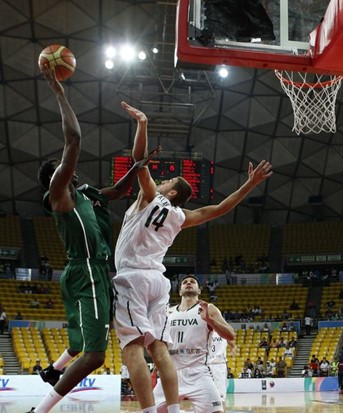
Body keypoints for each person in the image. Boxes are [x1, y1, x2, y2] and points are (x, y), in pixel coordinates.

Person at [113, 103, 271, 413]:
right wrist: (250, 184)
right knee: (159, 348)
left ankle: (147, 411)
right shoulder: (183, 216)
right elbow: (221, 209)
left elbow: (138, 162)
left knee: (132, 347)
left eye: (167, 181)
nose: (162, 181)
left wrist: (142, 124)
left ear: (170, 192)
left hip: (132, 276)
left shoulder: (150, 197)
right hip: (158, 282)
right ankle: (171, 410)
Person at [31, 66, 157, 413]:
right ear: (56, 178)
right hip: (85, 270)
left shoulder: (85, 194)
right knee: (96, 355)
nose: (68, 167)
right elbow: (74, 139)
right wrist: (58, 90)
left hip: (97, 272)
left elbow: (119, 190)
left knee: (91, 346)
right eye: (61, 167)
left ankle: (52, 370)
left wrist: (139, 166)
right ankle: (41, 408)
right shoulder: (61, 196)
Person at [152, 274, 235, 412]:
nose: (188, 283)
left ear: (199, 290)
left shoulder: (208, 308)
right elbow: (160, 343)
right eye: (185, 282)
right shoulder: (167, 312)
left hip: (199, 372)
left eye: (193, 282)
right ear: (179, 291)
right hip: (171, 372)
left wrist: (210, 320)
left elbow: (230, 335)